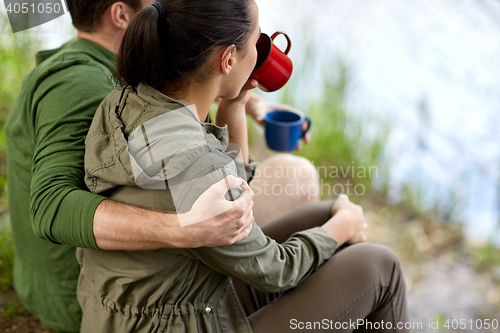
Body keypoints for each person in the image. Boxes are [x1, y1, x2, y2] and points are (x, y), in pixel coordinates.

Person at [77, 0, 410, 332]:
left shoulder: (127, 102)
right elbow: (276, 270)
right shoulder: (194, 161)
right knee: (381, 268)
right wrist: (342, 229)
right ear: (228, 59)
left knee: (323, 216)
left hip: (140, 308)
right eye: (256, 41)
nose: (260, 53)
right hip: (171, 324)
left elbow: (228, 184)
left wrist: (234, 106)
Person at [5, 0, 317, 331]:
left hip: (119, 284)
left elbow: (188, 99)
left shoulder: (104, 67)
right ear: (121, 14)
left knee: (267, 184)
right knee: (297, 178)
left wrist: (243, 100)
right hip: (98, 296)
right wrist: (187, 229)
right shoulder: (80, 86)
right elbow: (50, 207)